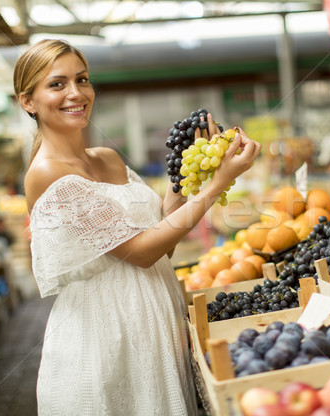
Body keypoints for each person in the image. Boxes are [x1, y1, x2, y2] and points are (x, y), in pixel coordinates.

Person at [14, 39, 261, 415]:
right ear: (27, 101)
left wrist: (188, 182)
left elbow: (161, 241)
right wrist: (218, 184)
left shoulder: (108, 159)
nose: (76, 93)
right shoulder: (47, 173)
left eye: (82, 80)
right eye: (57, 84)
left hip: (156, 327)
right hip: (104, 339)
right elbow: (142, 252)